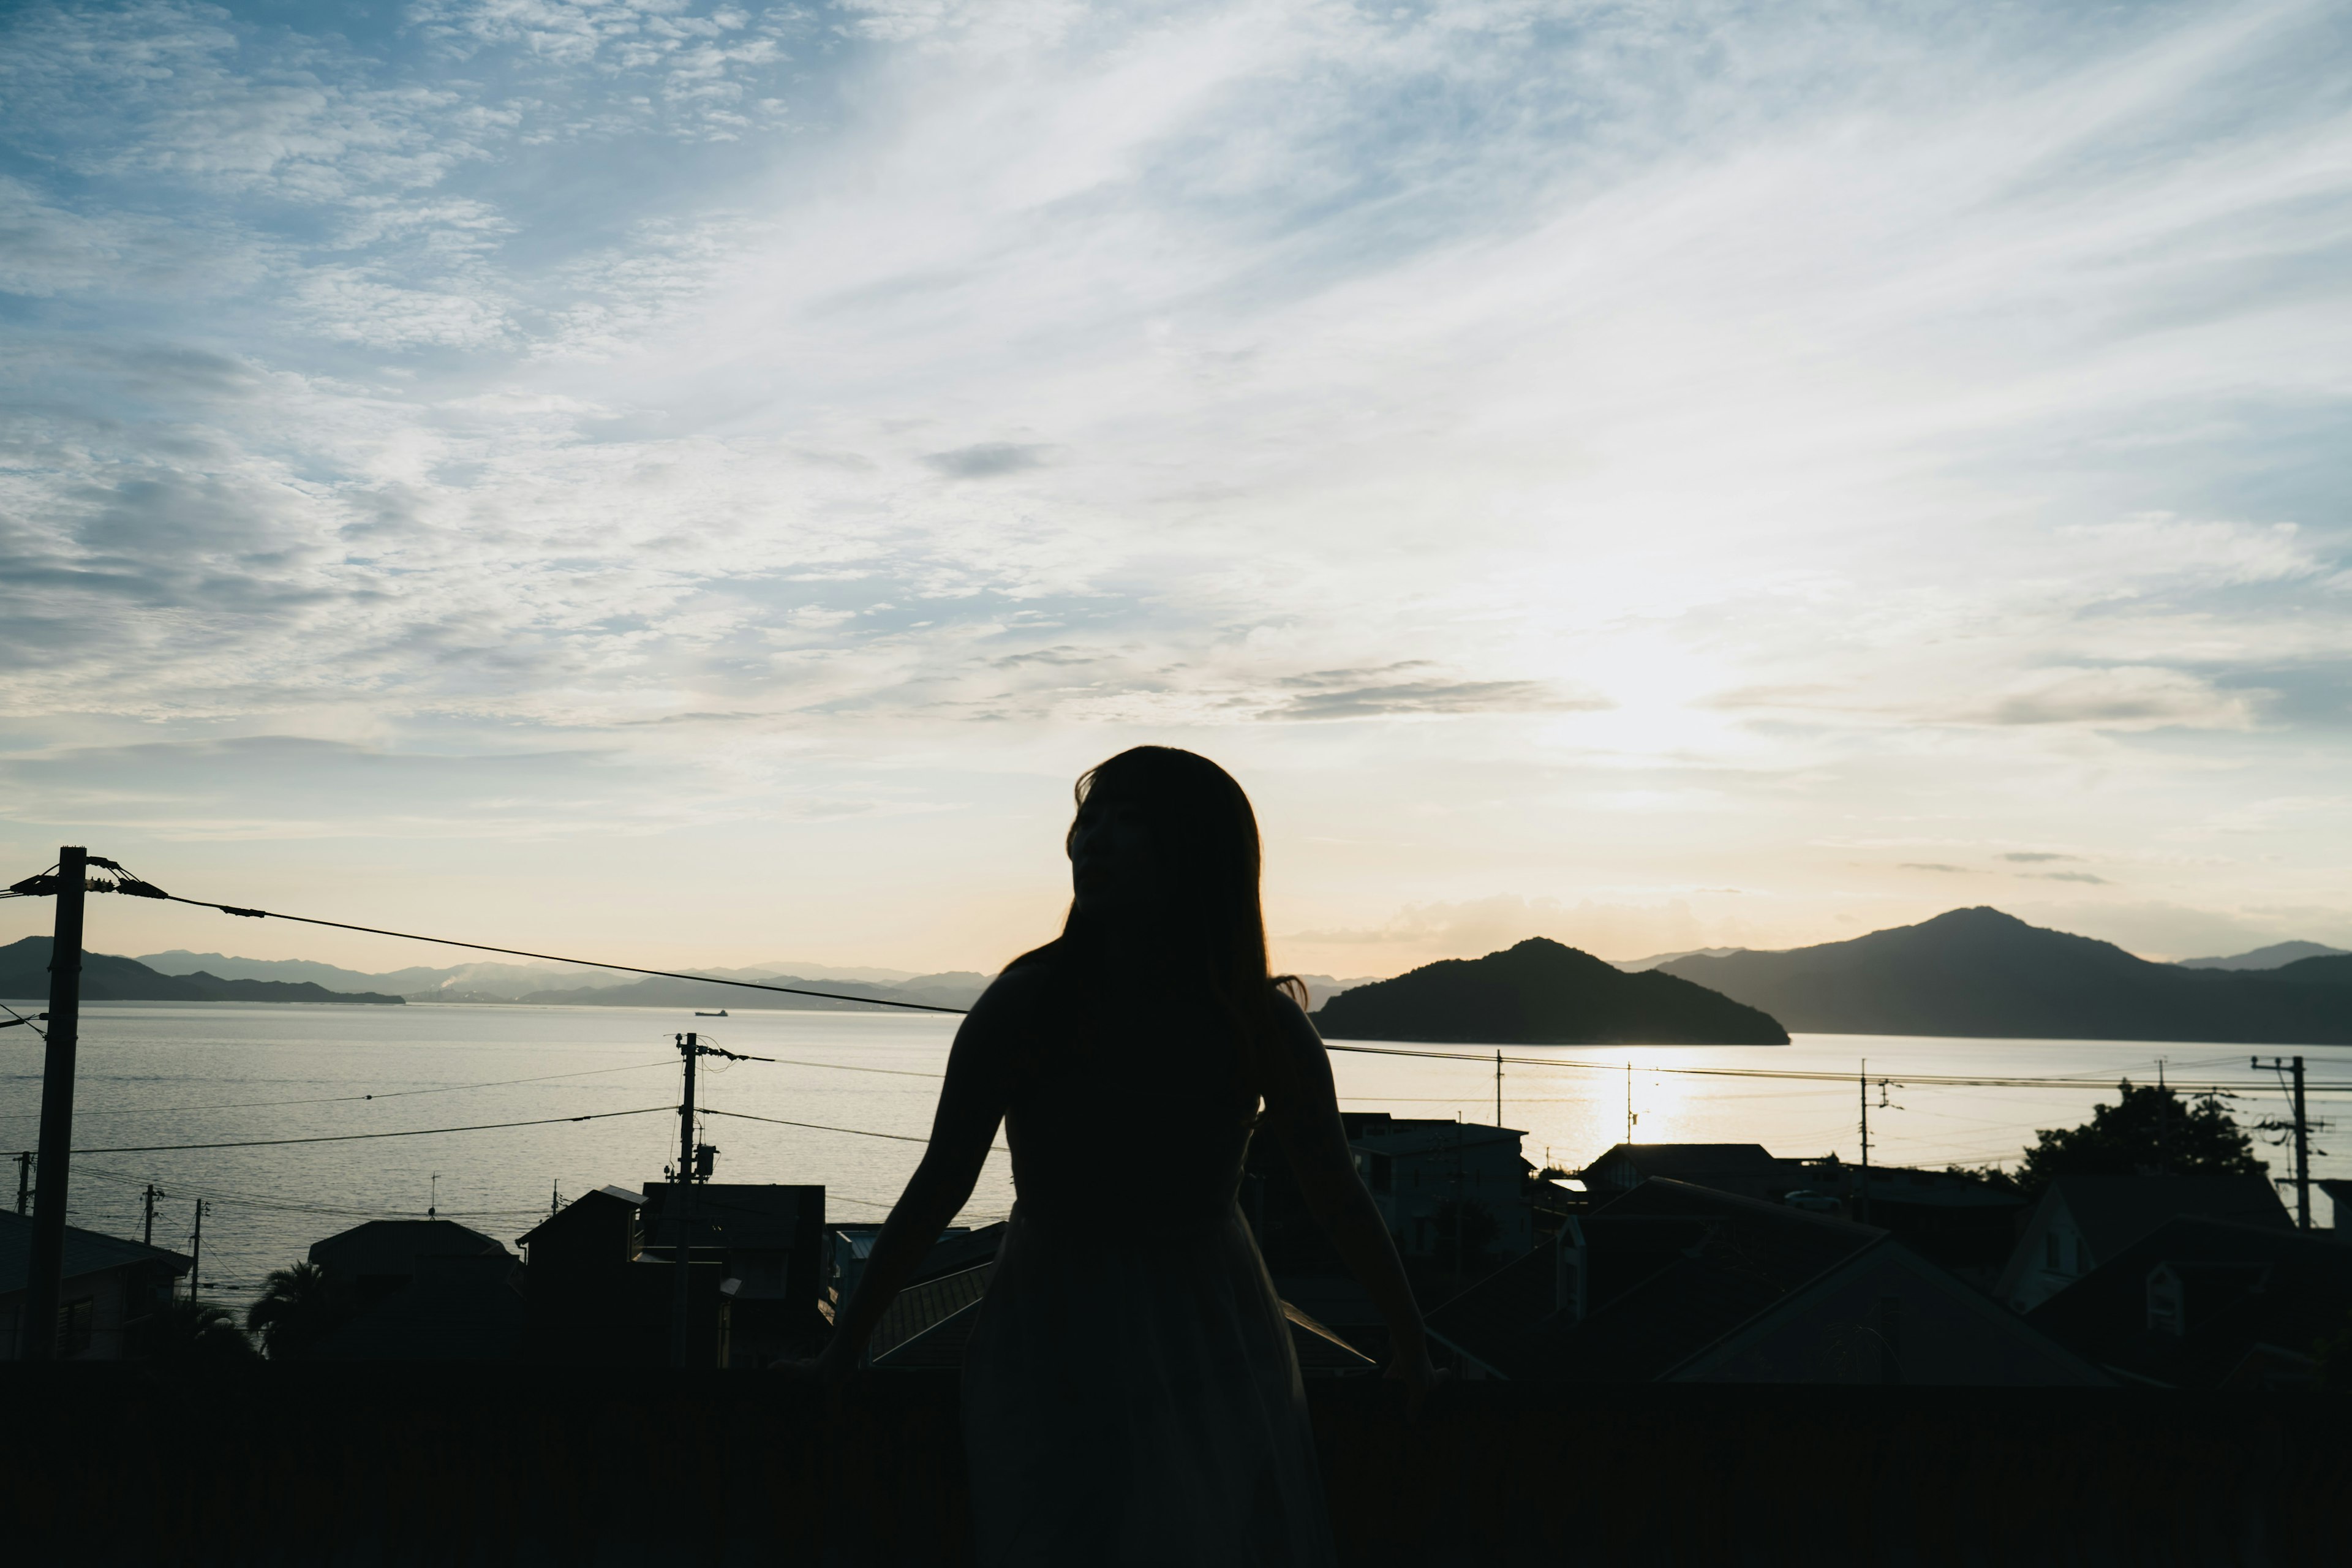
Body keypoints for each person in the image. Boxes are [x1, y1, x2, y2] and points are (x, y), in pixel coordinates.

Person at [783, 746, 1442, 1565]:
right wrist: (849, 1343)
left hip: (1210, 1336)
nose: (1092, 841)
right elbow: (942, 1182)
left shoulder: (1260, 1024)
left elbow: (1336, 1190)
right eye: (1088, 820)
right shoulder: (1028, 1004)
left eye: (1127, 822)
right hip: (1057, 1334)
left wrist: (1411, 1342)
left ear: (1196, 850)